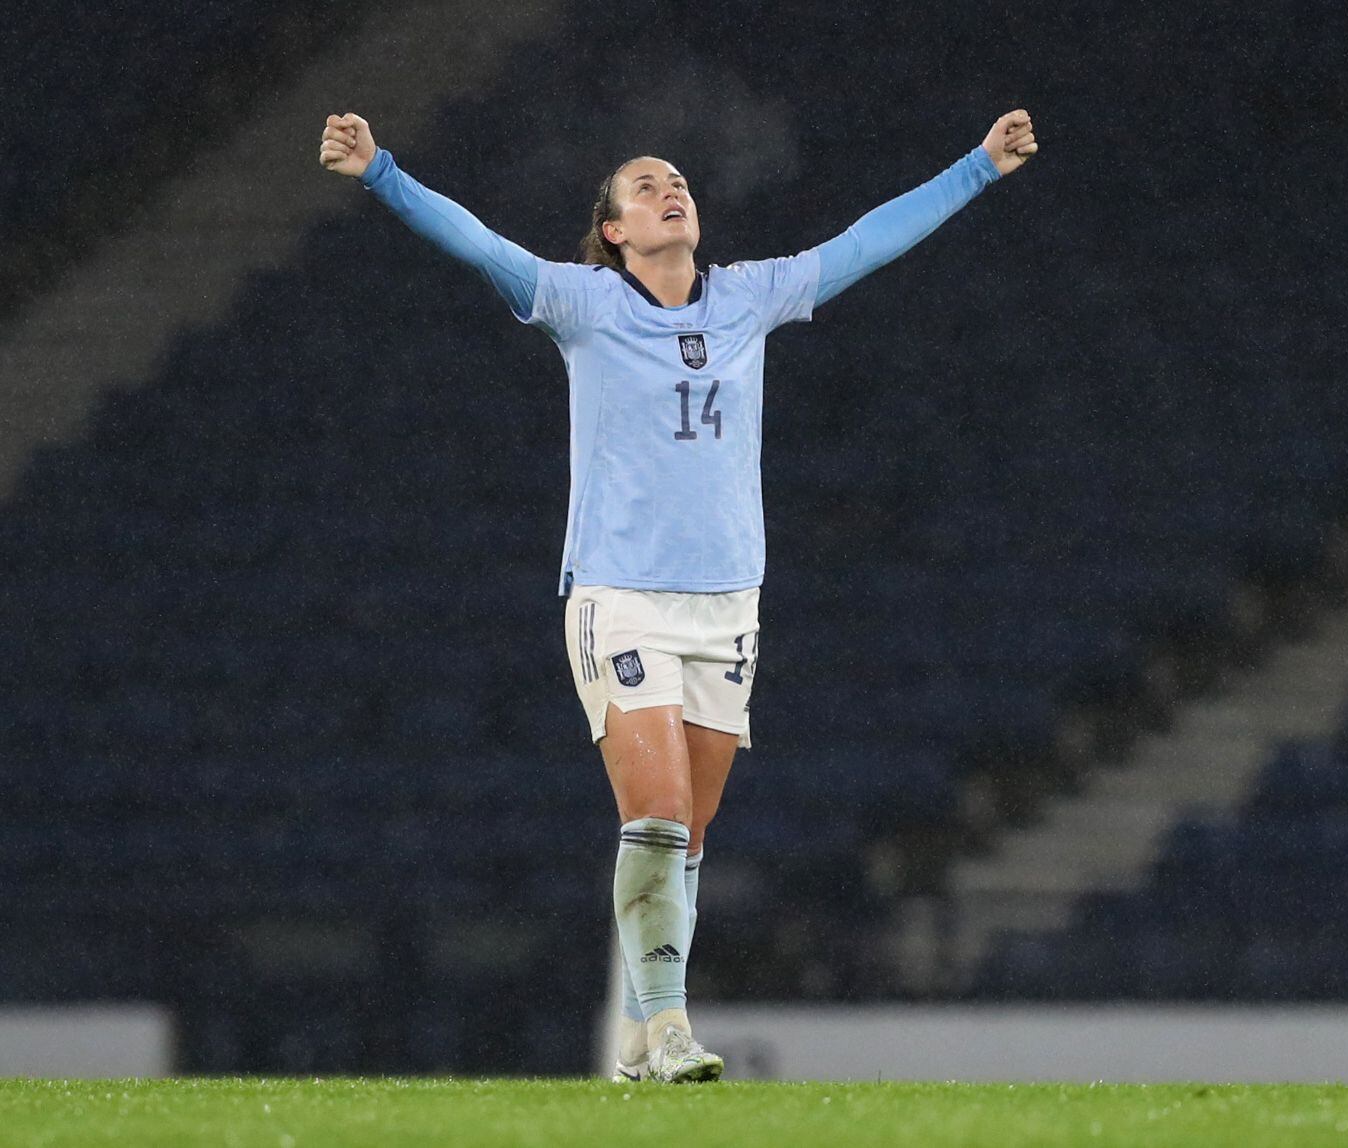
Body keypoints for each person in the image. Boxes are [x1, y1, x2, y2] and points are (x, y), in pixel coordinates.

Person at [318, 105, 1036, 1082]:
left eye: (678, 182)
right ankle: (665, 1030)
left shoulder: (747, 298)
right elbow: (476, 240)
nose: (669, 190)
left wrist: (977, 167)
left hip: (726, 605)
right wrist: (380, 172)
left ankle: (633, 1026)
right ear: (613, 229)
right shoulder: (581, 303)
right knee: (653, 814)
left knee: (686, 834)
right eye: (643, 186)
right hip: (620, 596)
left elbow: (869, 240)